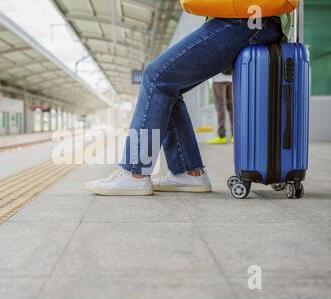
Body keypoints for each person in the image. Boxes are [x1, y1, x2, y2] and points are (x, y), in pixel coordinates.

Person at [86, 15, 290, 196]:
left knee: (156, 77)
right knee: (166, 84)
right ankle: (189, 172)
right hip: (251, 20)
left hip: (247, 19)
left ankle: (135, 172)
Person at [207, 70, 234, 145]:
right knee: (232, 107)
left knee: (220, 106)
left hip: (218, 79)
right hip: (231, 78)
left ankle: (221, 136)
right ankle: (234, 136)